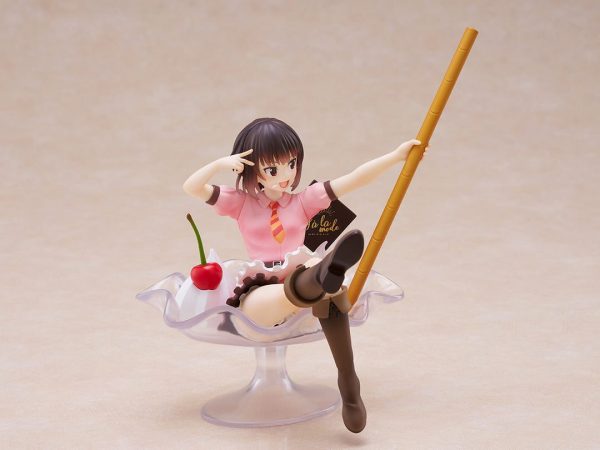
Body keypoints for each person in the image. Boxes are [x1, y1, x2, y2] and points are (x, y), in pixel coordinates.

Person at [183, 117, 425, 433]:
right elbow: (192, 187)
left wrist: (396, 156)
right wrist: (219, 164)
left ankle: (349, 383)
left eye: (292, 164)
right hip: (264, 287)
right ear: (250, 169)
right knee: (277, 298)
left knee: (326, 289)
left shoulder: (304, 201)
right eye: (273, 169)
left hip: (303, 273)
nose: (286, 176)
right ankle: (322, 276)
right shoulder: (240, 203)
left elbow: (354, 178)